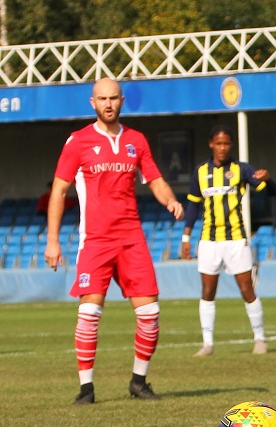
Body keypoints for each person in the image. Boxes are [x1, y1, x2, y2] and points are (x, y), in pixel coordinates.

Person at [44, 77, 184, 404]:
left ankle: (139, 381)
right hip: (95, 240)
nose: (108, 104)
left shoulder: (137, 140)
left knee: (150, 314)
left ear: (122, 100)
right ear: (92, 103)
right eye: (102, 99)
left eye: (114, 98)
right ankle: (86, 389)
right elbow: (59, 191)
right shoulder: (77, 141)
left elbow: (155, 179)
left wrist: (170, 201)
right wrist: (53, 240)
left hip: (131, 237)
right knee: (90, 314)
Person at [181, 124, 275, 357]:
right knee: (207, 290)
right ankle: (208, 343)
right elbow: (193, 205)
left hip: (235, 239)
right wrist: (186, 236)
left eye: (226, 143)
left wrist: (268, 178)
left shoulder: (240, 169)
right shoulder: (200, 172)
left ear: (230, 145)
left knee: (246, 288)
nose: (222, 148)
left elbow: (268, 191)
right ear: (211, 144)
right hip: (209, 241)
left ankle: (260, 339)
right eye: (218, 143)